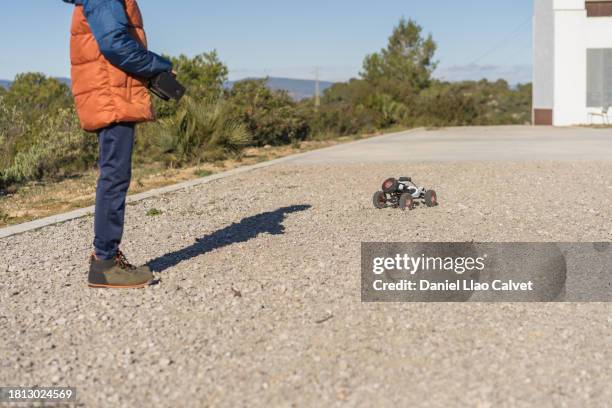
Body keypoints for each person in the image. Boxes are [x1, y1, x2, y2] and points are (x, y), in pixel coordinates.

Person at [63, 0, 173, 288]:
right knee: (115, 176)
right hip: (111, 95)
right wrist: (158, 65)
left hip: (111, 92)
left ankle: (104, 256)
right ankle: (105, 263)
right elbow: (115, 45)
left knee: (114, 174)